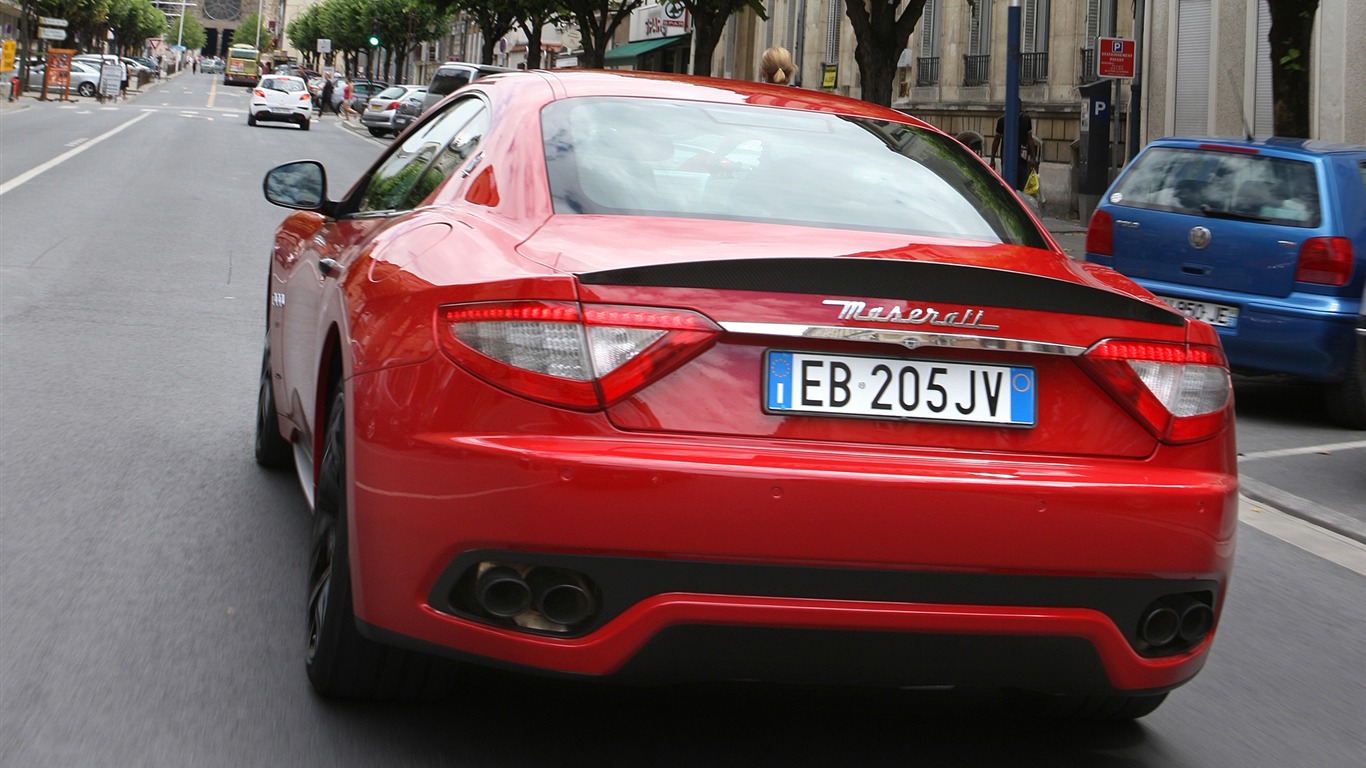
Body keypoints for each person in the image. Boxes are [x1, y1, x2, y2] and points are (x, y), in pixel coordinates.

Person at [990, 100, 1037, 190]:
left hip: (1021, 159)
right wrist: (992, 159)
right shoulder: (1003, 121)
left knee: (1021, 183)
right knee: (1008, 185)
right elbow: (996, 140)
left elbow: (1030, 139)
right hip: (1007, 158)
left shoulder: (1025, 120)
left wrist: (1033, 158)